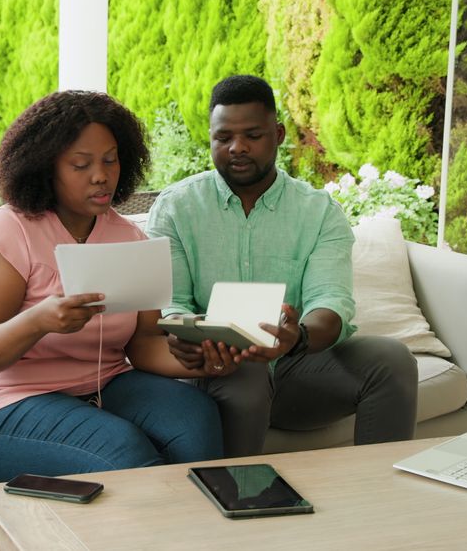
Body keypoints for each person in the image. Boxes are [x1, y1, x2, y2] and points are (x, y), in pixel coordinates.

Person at [0, 90, 223, 482]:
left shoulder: (128, 238)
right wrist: (38, 320)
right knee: (123, 449)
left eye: (110, 160)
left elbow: (143, 344)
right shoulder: (6, 231)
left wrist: (199, 359)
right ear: (46, 168)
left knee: (196, 418)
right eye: (81, 164)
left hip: (102, 383)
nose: (101, 175)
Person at [147, 75, 418, 457]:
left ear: (278, 134)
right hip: (215, 372)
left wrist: (299, 338)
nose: (237, 148)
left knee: (392, 360)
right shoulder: (176, 207)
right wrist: (186, 339)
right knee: (248, 370)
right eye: (223, 138)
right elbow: (171, 303)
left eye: (252, 136)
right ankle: (238, 498)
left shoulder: (319, 212)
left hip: (296, 369)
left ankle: (382, 501)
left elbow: (331, 301)